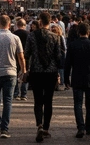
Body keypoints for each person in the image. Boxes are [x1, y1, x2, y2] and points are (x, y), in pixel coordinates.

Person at [24, 11, 61, 142]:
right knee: (49, 101)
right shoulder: (55, 37)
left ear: (40, 21)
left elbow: (26, 54)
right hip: (50, 72)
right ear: (49, 21)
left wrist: (26, 69)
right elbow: (58, 57)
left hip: (36, 72)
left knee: (38, 100)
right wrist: (58, 73)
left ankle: (39, 124)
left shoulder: (32, 36)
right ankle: (46, 128)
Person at [64, 22, 90, 139]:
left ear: (78, 32)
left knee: (78, 103)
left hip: (77, 77)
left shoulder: (73, 45)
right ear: (89, 32)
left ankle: (80, 127)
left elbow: (68, 64)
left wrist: (66, 79)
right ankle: (89, 127)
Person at [13, 18, 29, 100]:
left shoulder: (14, 34)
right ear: (24, 25)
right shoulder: (28, 34)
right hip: (26, 56)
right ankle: (24, 94)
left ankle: (16, 93)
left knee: (15, 74)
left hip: (15, 56)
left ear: (17, 25)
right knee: (25, 74)